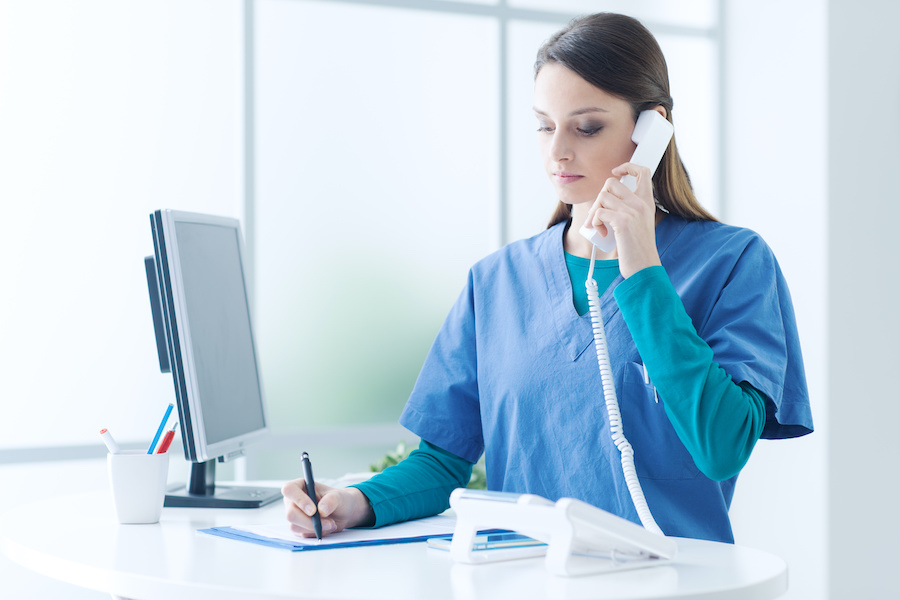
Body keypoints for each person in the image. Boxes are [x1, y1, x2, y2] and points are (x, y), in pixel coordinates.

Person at [282, 12, 813, 544]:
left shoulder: (733, 263)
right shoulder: (495, 283)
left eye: (586, 127)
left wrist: (644, 270)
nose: (557, 150)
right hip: (525, 580)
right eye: (544, 124)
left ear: (649, 129)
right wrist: (353, 503)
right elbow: (443, 465)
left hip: (673, 583)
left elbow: (721, 447)